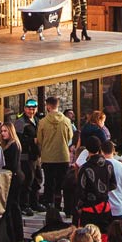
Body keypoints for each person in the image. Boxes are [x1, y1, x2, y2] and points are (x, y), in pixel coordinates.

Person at [38, 95, 75, 226]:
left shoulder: (42, 122)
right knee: (62, 183)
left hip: (48, 157)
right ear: (58, 105)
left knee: (49, 183)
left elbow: (40, 139)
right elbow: (70, 136)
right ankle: (62, 206)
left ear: (48, 106)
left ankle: (51, 207)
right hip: (63, 156)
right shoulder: (66, 121)